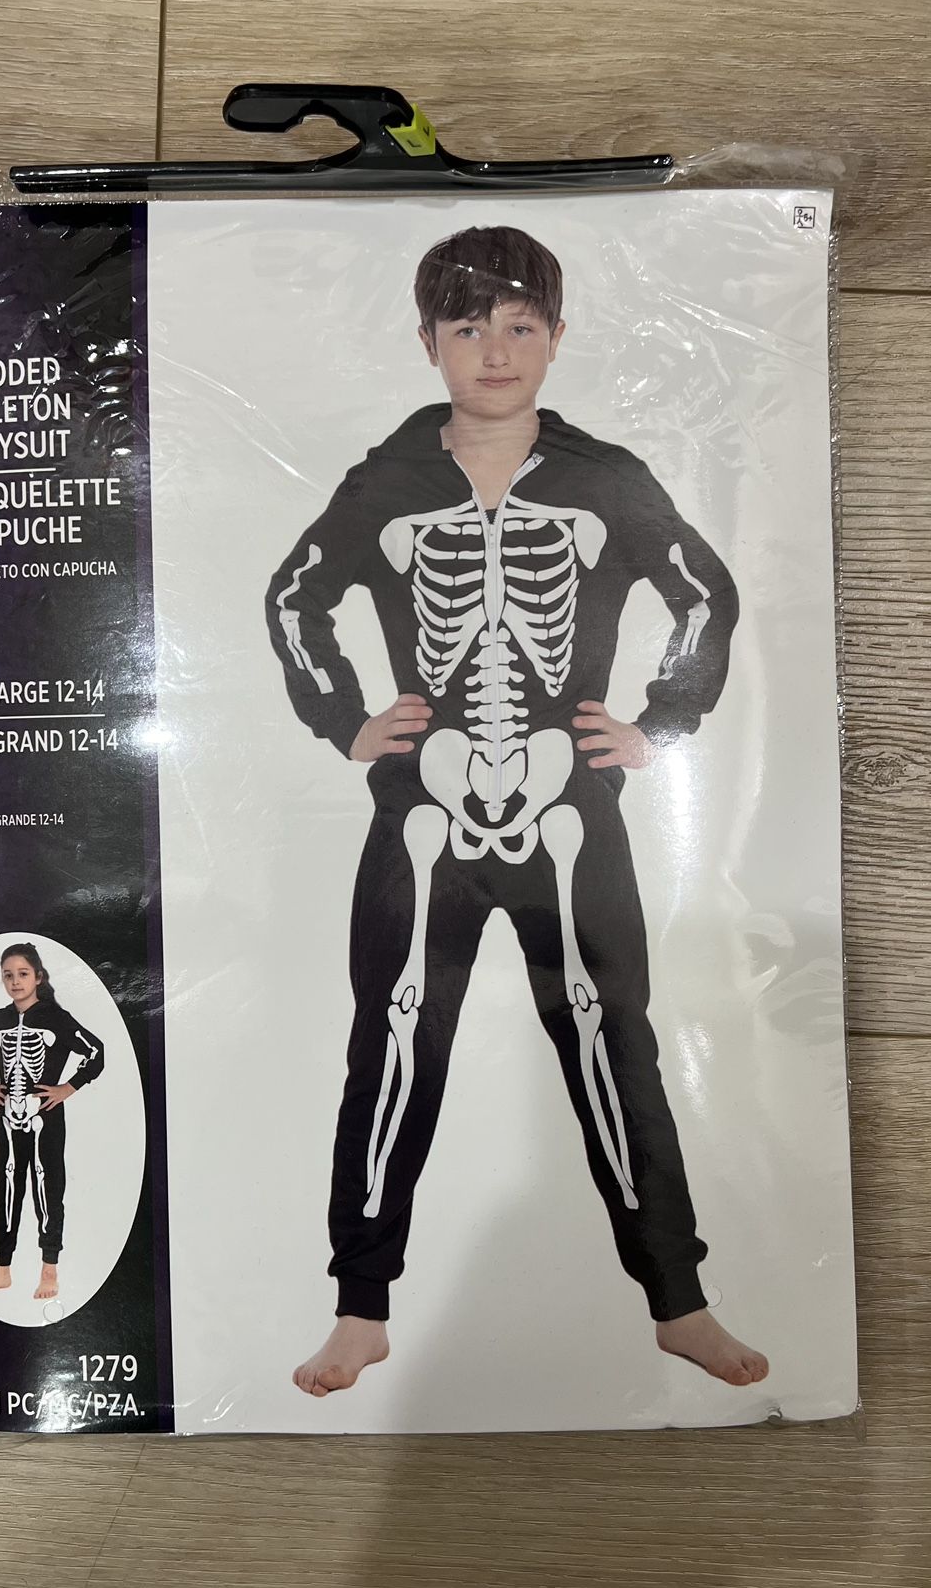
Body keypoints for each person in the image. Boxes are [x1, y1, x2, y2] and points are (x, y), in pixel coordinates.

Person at [266, 225, 768, 1398]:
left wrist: (661, 723)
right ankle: (360, 1307)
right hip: (425, 805)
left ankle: (678, 1300)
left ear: (555, 336)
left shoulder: (604, 475)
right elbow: (295, 596)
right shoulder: (387, 481)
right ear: (428, 342)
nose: (494, 349)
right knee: (394, 1036)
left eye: (519, 324)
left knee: (611, 1033)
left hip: (566, 798)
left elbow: (704, 589)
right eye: (467, 326)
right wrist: (346, 719)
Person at [0, 942, 104, 1302]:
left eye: (23, 974)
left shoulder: (56, 1018)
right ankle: (2, 1269)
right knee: (7, 1185)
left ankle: (49, 1269)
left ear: (38, 977)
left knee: (48, 1185)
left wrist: (67, 1088)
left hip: (45, 1115)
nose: (15, 981)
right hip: (7, 1116)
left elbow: (96, 1052)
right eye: (8, 975)